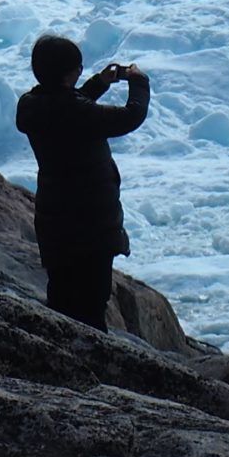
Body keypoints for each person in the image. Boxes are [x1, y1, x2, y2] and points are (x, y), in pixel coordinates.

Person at [13, 35, 149, 329]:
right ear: (68, 72)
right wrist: (139, 82)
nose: (79, 72)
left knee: (62, 299)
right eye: (78, 68)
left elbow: (68, 105)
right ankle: (90, 368)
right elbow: (130, 116)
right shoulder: (76, 112)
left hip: (55, 223)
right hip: (90, 225)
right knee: (90, 306)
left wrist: (98, 84)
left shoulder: (31, 105)